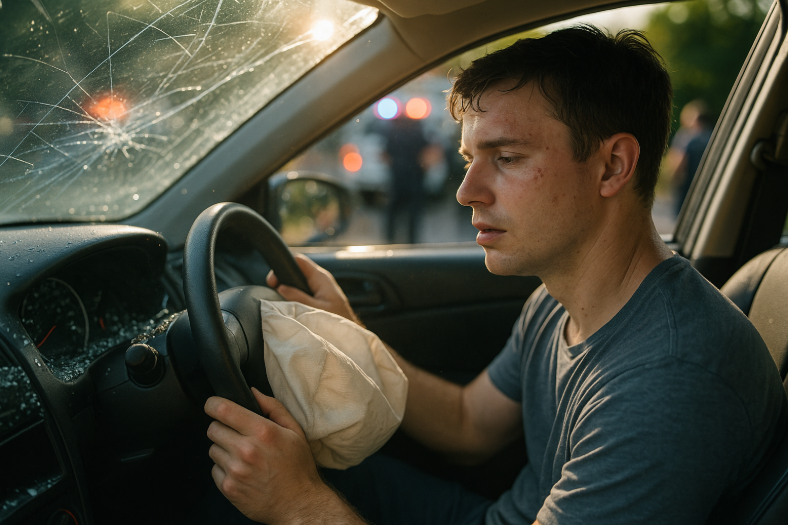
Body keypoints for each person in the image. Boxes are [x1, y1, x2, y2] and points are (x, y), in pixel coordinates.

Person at [201, 25, 788, 525]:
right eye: (468, 160)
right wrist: (349, 329)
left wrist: (300, 505)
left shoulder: (669, 381)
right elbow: (467, 425)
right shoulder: (560, 297)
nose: (465, 191)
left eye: (506, 159)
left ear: (612, 165)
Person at [666, 99, 714, 215]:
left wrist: (673, 176)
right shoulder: (711, 135)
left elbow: (681, 157)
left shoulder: (686, 135)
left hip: (686, 181)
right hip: (704, 181)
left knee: (681, 214)